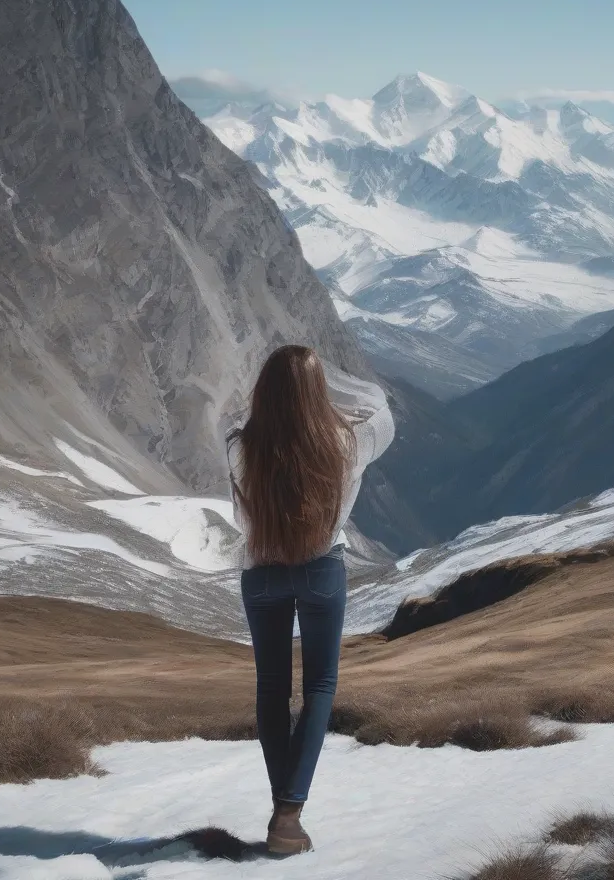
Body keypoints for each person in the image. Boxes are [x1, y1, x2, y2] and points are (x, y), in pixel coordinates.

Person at [226, 345, 395, 856]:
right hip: (321, 570)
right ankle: (289, 814)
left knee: (272, 687)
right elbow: (383, 414)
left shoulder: (238, 444)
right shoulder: (346, 441)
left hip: (260, 574)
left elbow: (240, 513)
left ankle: (285, 815)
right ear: (318, 393)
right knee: (319, 685)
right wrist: (332, 401)